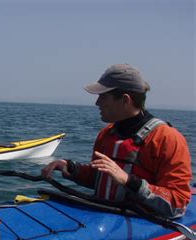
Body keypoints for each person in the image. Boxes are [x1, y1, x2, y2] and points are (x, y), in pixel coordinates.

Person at [41, 63, 192, 218]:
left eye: (103, 97)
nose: (97, 103)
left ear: (125, 100)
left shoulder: (168, 139)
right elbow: (100, 180)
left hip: (139, 226)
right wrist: (71, 168)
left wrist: (129, 181)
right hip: (103, 220)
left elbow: (177, 204)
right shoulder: (107, 134)